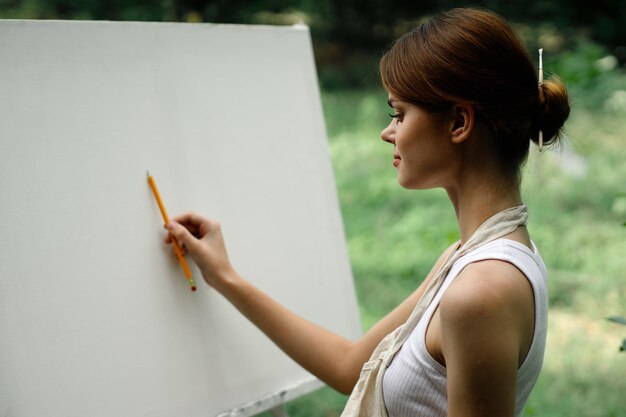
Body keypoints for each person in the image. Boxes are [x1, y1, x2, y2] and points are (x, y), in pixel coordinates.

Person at [164, 7, 570, 417]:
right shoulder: (468, 258)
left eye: (399, 113)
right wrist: (224, 276)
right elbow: (349, 366)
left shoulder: (480, 292)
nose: (387, 131)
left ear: (459, 123)